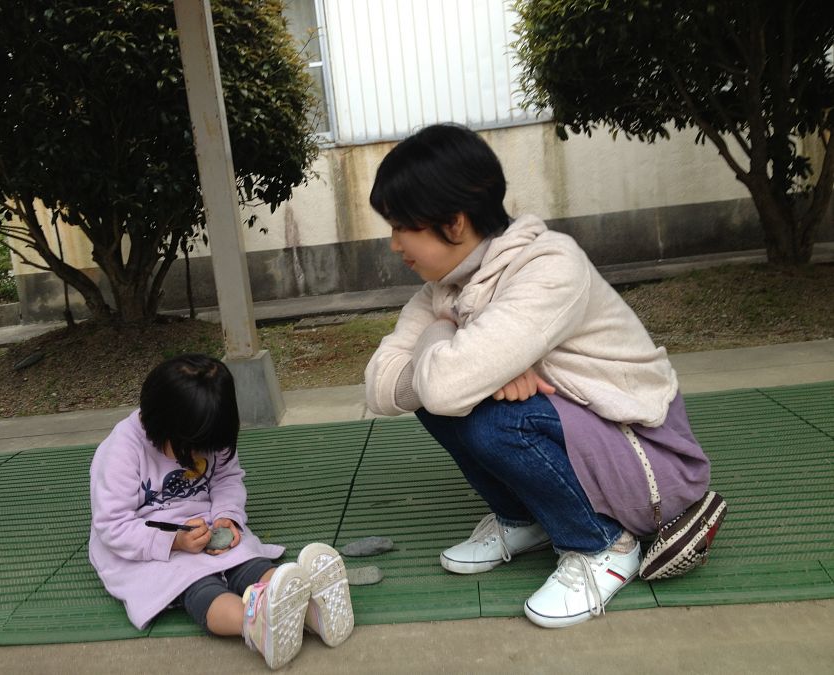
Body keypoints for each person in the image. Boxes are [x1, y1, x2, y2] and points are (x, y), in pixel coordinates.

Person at [364, 123, 713, 628]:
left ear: (454, 223)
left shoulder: (549, 266)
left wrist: (444, 348)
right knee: (448, 400)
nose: (395, 244)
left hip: (648, 459)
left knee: (491, 417)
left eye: (401, 226)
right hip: (582, 436)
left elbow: (440, 386)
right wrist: (451, 343)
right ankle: (525, 519)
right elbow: (380, 388)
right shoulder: (443, 290)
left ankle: (602, 546)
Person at [89, 354, 354, 669]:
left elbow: (227, 480)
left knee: (248, 563)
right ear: (159, 426)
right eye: (191, 448)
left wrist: (227, 517)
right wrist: (174, 542)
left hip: (206, 525)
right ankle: (253, 625)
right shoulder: (121, 450)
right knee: (198, 585)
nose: (200, 455)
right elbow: (113, 524)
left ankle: (313, 611)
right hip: (145, 542)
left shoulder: (210, 428)